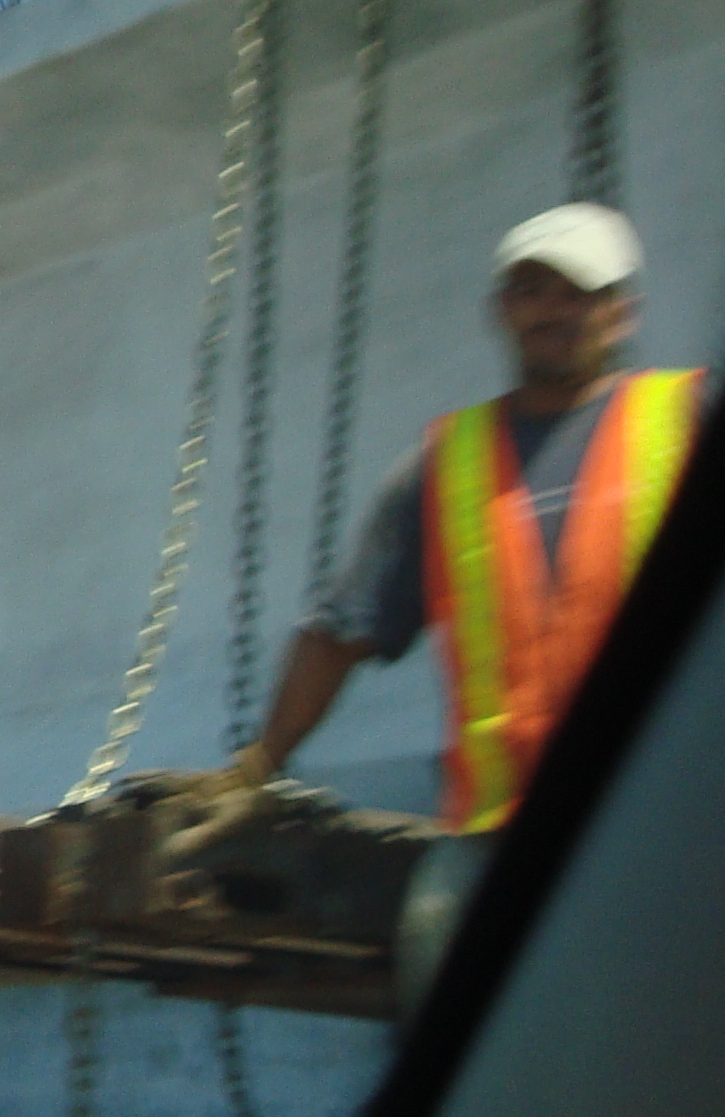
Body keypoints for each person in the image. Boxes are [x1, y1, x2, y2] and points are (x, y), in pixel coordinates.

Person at [233, 204, 705, 829]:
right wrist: (256, 767)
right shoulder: (446, 465)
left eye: (578, 294)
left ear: (622, 312)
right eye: (531, 292)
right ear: (501, 310)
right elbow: (340, 632)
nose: (552, 311)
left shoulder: (688, 420)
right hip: (498, 831)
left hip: (678, 816)